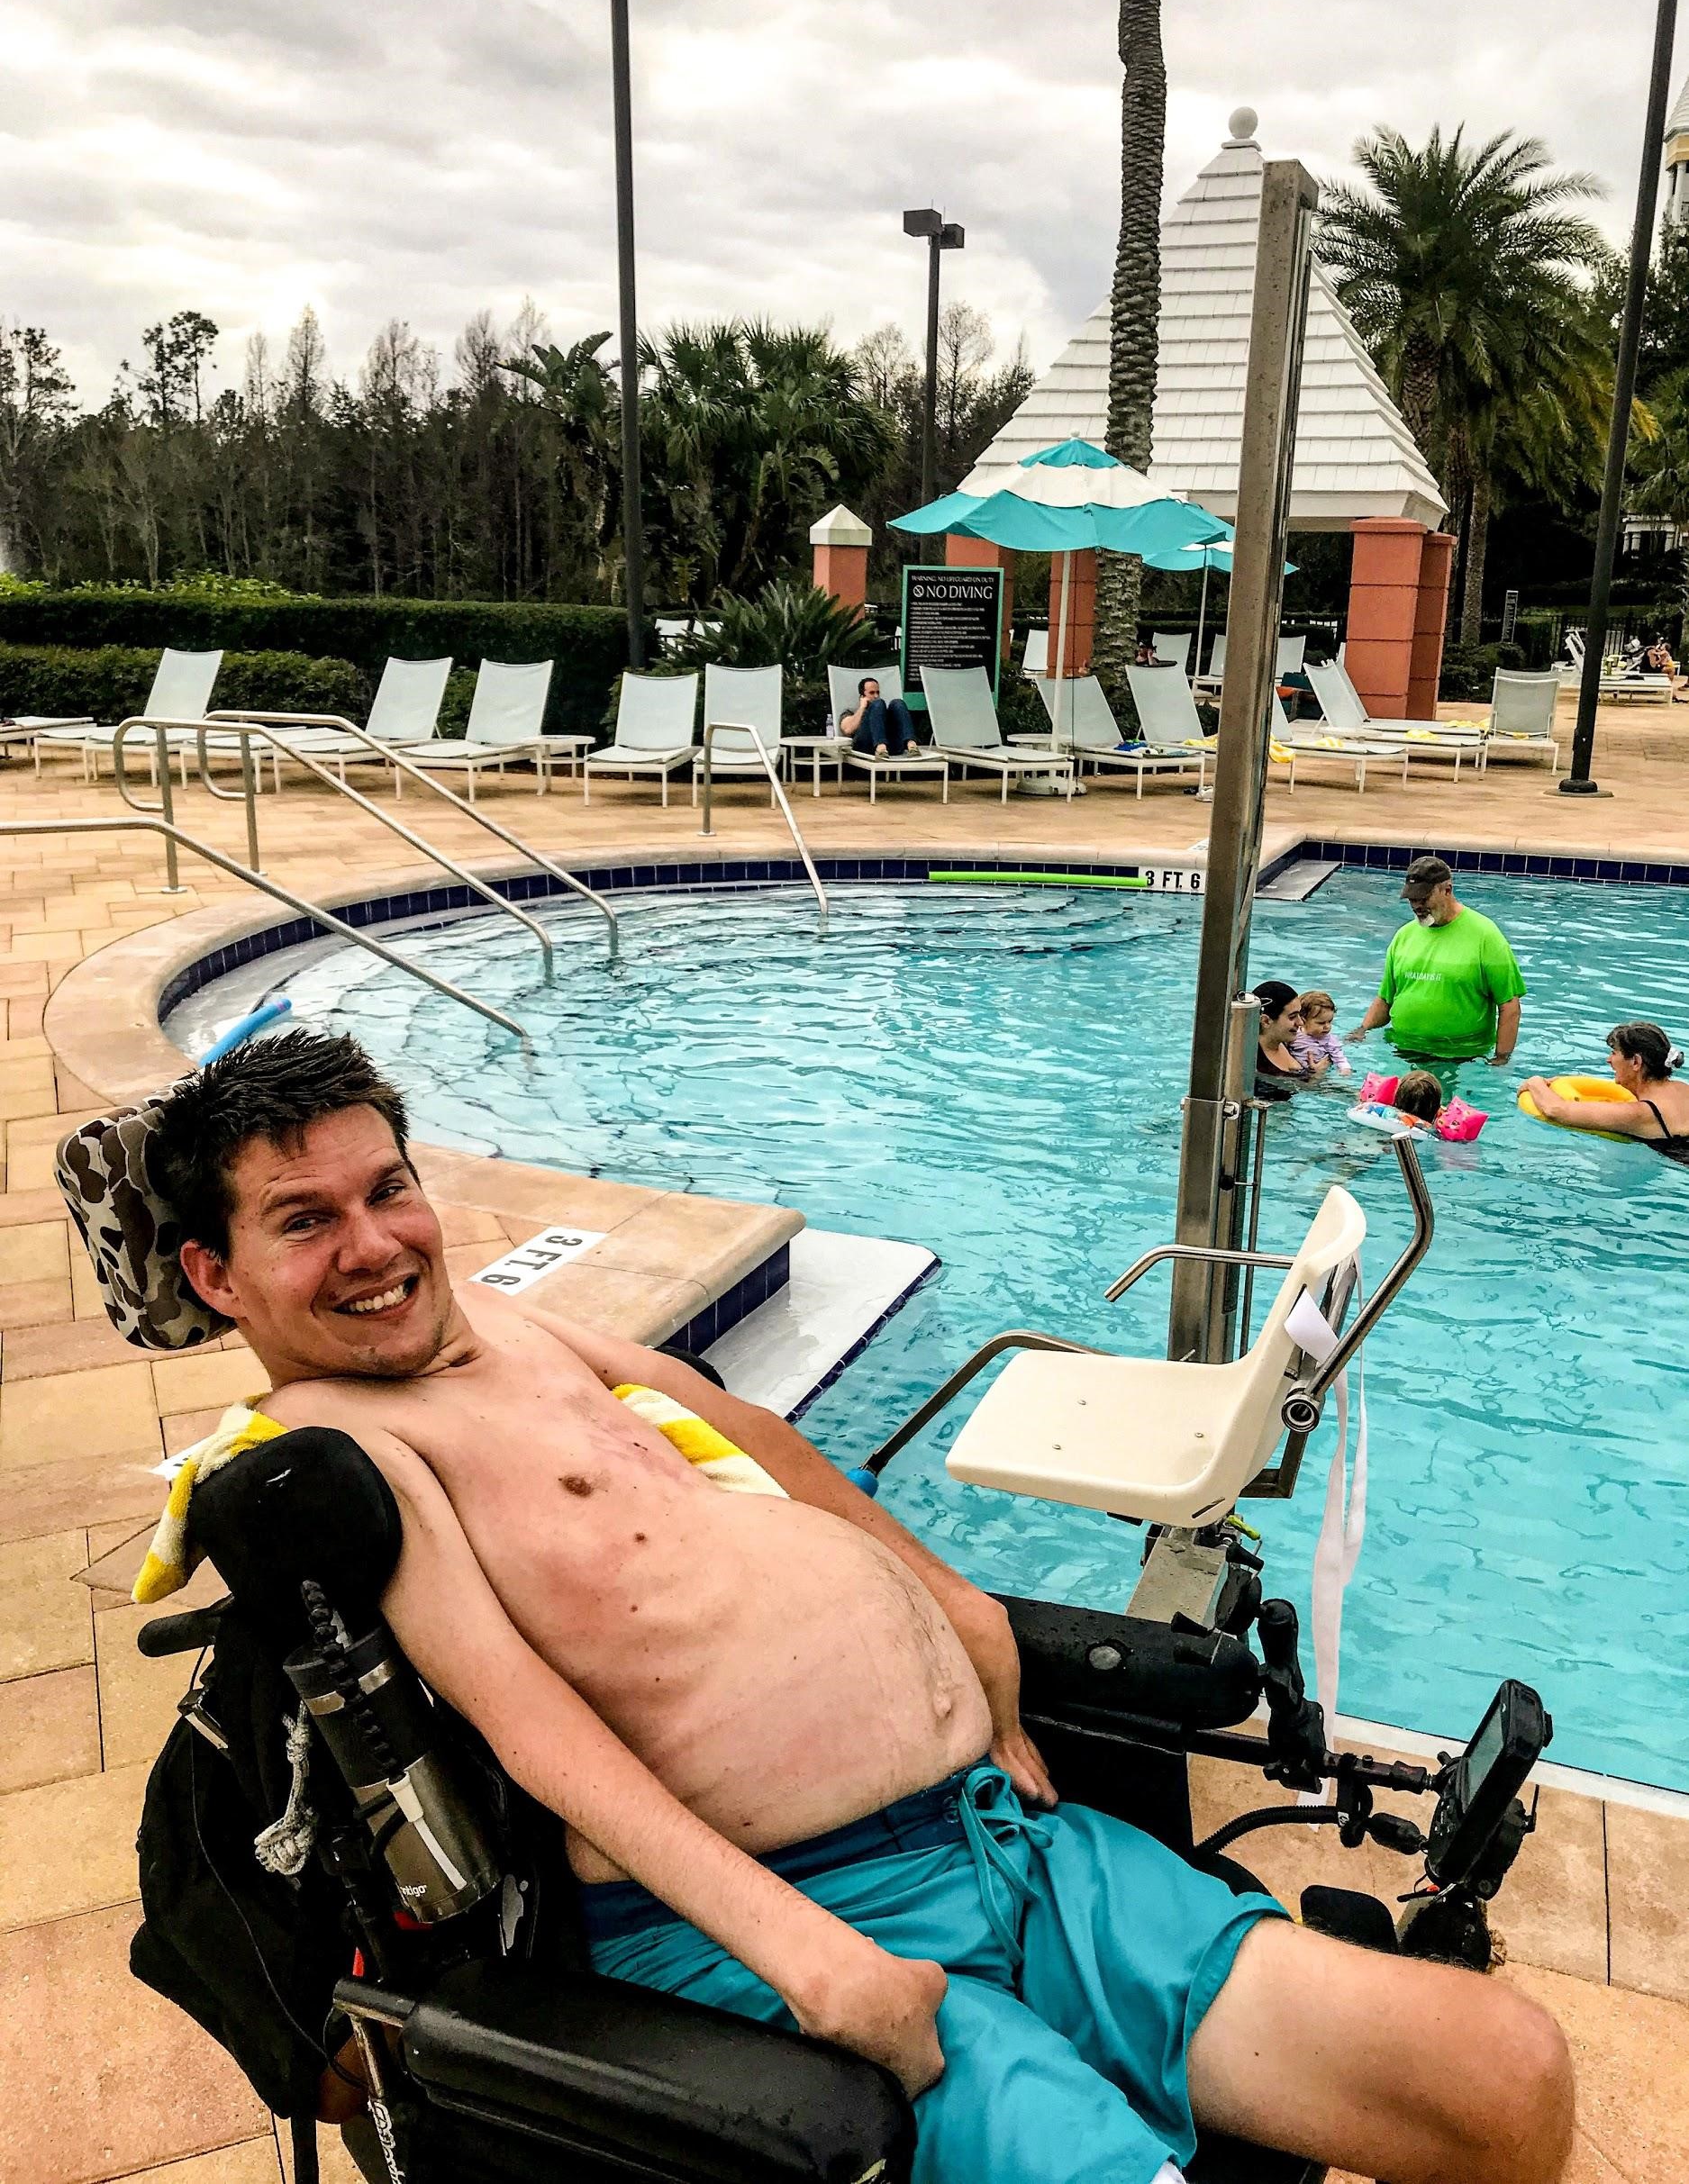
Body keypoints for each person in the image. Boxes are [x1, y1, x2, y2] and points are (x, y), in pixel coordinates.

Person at [151, 1031, 1574, 2184]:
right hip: (801, 1917)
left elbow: (734, 1425)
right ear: (217, 1278)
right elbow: (540, 1742)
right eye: (303, 1221)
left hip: (1010, 1840)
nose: (373, 1243)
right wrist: (821, 1968)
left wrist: (965, 1615)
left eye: (386, 1188)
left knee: (1500, 2081)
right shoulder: (338, 1455)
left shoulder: (503, 1330)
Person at [1348, 856, 1524, 1070]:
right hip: (1401, 1052)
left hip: (1460, 1058)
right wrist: (1362, 1030)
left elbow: (1509, 1005)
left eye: (1423, 898)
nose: (1417, 906)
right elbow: (1386, 998)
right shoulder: (1404, 936)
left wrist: (1501, 1059)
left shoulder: (1486, 935)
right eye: (1412, 899)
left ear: (1447, 890)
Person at [1521, 1020, 1689, 1165]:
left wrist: (1535, 1081)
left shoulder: (1640, 1114)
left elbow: (1555, 1111)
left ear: (1636, 1062)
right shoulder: (1683, 1089)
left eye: (1614, 1053)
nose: (1608, 1060)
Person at [1252, 981, 1321, 1093]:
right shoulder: (1255, 1065)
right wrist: (1316, 1076)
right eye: (1292, 1017)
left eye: (1299, 1014)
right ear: (1266, 1021)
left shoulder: (1289, 1041)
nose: (1300, 1022)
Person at [840, 675, 916, 758]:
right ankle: (880, 747)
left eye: (878, 692)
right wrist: (862, 708)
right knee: (878, 703)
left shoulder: (882, 710)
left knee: (898, 703)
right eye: (872, 693)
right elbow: (847, 730)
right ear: (862, 696)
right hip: (865, 747)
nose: (876, 696)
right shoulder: (851, 712)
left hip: (891, 748)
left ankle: (911, 745)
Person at [1291, 991, 1351, 1077]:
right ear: (1303, 1020)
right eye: (1321, 1023)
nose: (1327, 1027)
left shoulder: (1329, 1040)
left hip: (1318, 1074)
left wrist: (1345, 1070)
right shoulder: (1295, 1034)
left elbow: (1339, 1058)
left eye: (1330, 1022)